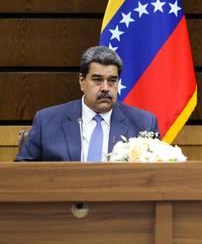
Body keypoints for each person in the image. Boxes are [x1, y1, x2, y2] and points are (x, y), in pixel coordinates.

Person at [15, 46, 159, 161]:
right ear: (82, 81)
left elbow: (157, 176)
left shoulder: (144, 123)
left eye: (112, 80)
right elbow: (22, 174)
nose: (105, 88)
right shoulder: (47, 121)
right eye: (97, 80)